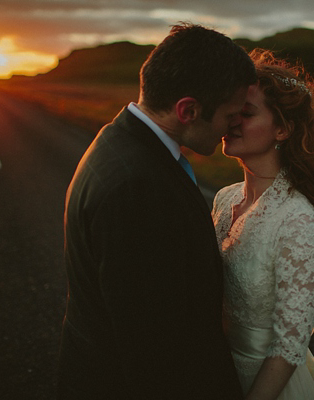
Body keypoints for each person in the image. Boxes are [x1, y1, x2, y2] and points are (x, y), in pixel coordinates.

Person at [57, 23, 257, 399]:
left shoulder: (118, 139)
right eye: (230, 114)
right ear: (188, 110)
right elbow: (153, 349)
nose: (234, 125)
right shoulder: (138, 188)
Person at [212, 49, 314, 399]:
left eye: (246, 113)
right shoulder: (224, 199)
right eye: (231, 110)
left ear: (282, 129)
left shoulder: (300, 220)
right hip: (216, 374)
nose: (231, 120)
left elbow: (289, 347)